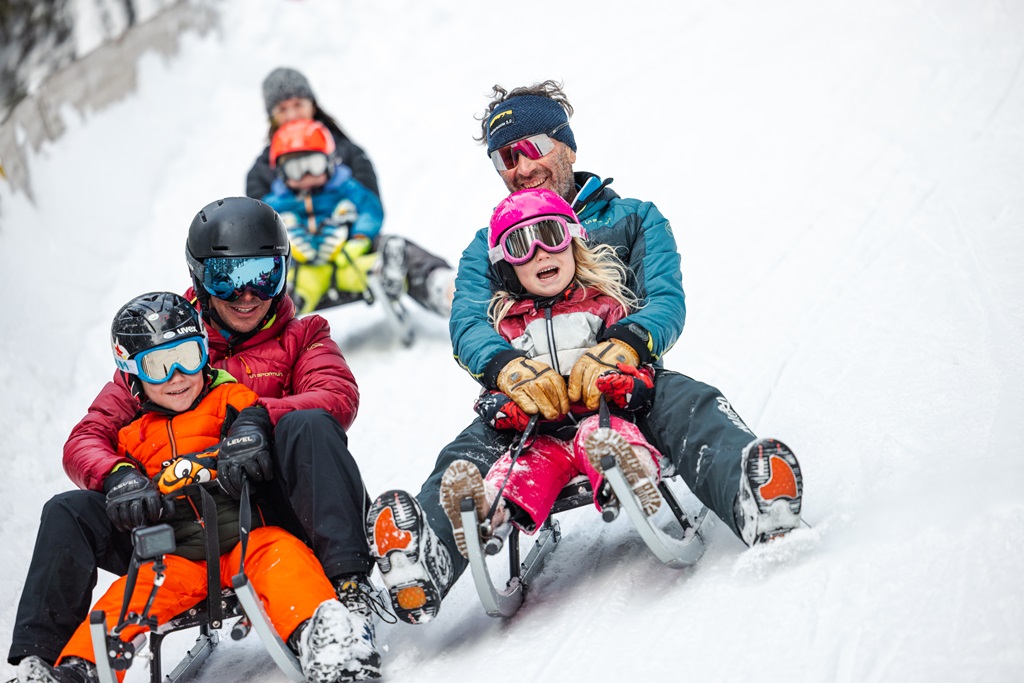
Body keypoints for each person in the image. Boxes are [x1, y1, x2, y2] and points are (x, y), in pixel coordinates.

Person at [365, 81, 804, 624]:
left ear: (566, 146)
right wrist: (506, 367)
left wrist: (622, 346)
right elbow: (468, 323)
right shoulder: (491, 244)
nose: (520, 167)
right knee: (467, 453)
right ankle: (425, 557)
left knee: (688, 402)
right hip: (530, 403)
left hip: (621, 388)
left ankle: (749, 491)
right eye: (506, 156)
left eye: (532, 148)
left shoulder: (635, 218)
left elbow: (666, 300)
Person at [7, 198, 384, 678]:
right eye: (227, 278)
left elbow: (335, 395)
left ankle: (343, 603)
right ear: (201, 280)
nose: (247, 294)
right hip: (172, 529)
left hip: (264, 511)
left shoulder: (301, 335)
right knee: (67, 510)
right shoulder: (161, 351)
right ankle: (51, 664)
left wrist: (255, 422)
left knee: (306, 426)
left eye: (263, 275)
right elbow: (87, 438)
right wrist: (118, 475)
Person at [439, 188, 667, 554]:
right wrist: (504, 407)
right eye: (520, 246)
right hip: (541, 435)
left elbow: (638, 365)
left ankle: (631, 473)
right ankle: (482, 510)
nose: (539, 252)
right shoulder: (508, 328)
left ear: (573, 243)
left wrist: (622, 383)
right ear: (508, 269)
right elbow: (493, 393)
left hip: (601, 417)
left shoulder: (605, 306)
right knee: (518, 468)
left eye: (550, 236)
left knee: (606, 440)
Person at [262, 119, 454, 316]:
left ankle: (417, 280)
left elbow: (369, 210)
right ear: (281, 173)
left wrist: (360, 236)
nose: (306, 175)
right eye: (295, 168)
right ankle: (283, 304)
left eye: (314, 164)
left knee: (381, 258)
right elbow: (260, 235)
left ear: (329, 161)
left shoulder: (346, 188)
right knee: (286, 284)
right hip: (304, 269)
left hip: (347, 257)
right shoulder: (274, 204)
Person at [246, 66, 379, 201]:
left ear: (313, 105)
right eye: (282, 109)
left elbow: (371, 207)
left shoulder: (352, 155)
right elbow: (258, 219)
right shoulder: (260, 173)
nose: (292, 115)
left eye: (298, 104)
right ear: (271, 117)